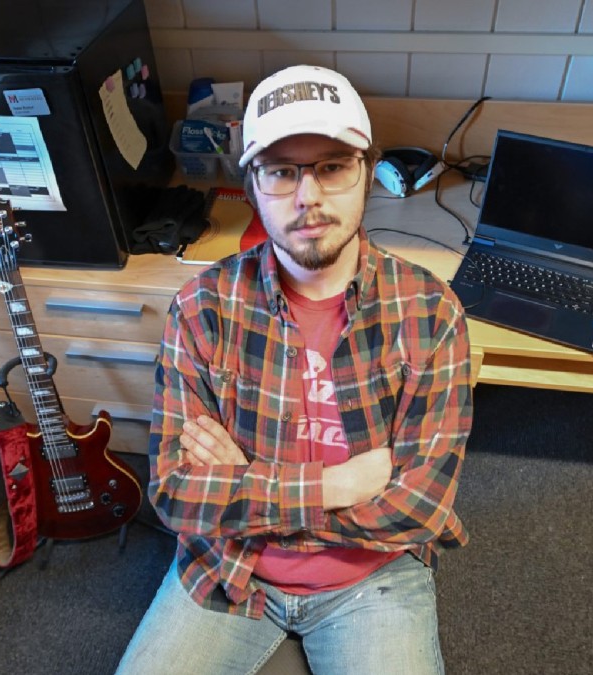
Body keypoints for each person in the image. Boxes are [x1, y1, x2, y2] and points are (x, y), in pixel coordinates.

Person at [116, 65, 473, 675]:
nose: (308, 196)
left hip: (372, 580)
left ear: (367, 169)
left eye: (332, 166)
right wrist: (339, 485)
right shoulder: (203, 307)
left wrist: (245, 481)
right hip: (230, 565)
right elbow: (175, 493)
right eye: (282, 171)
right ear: (251, 184)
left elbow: (418, 507)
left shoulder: (429, 311)